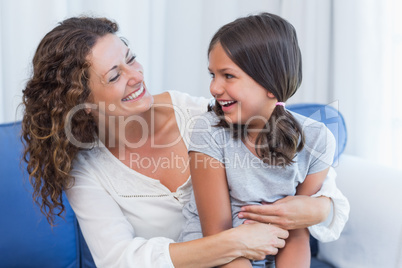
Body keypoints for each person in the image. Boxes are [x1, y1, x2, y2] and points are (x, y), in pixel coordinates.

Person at [21, 16, 349, 267]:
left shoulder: (199, 113)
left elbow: (309, 175)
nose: (135, 76)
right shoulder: (86, 168)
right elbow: (120, 259)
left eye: (131, 58)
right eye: (114, 75)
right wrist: (236, 243)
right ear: (85, 101)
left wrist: (318, 208)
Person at [179, 13, 346, 268]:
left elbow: (297, 231)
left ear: (270, 83)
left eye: (228, 75)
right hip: (217, 255)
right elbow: (218, 235)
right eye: (213, 74)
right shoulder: (209, 130)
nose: (214, 88)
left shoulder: (317, 140)